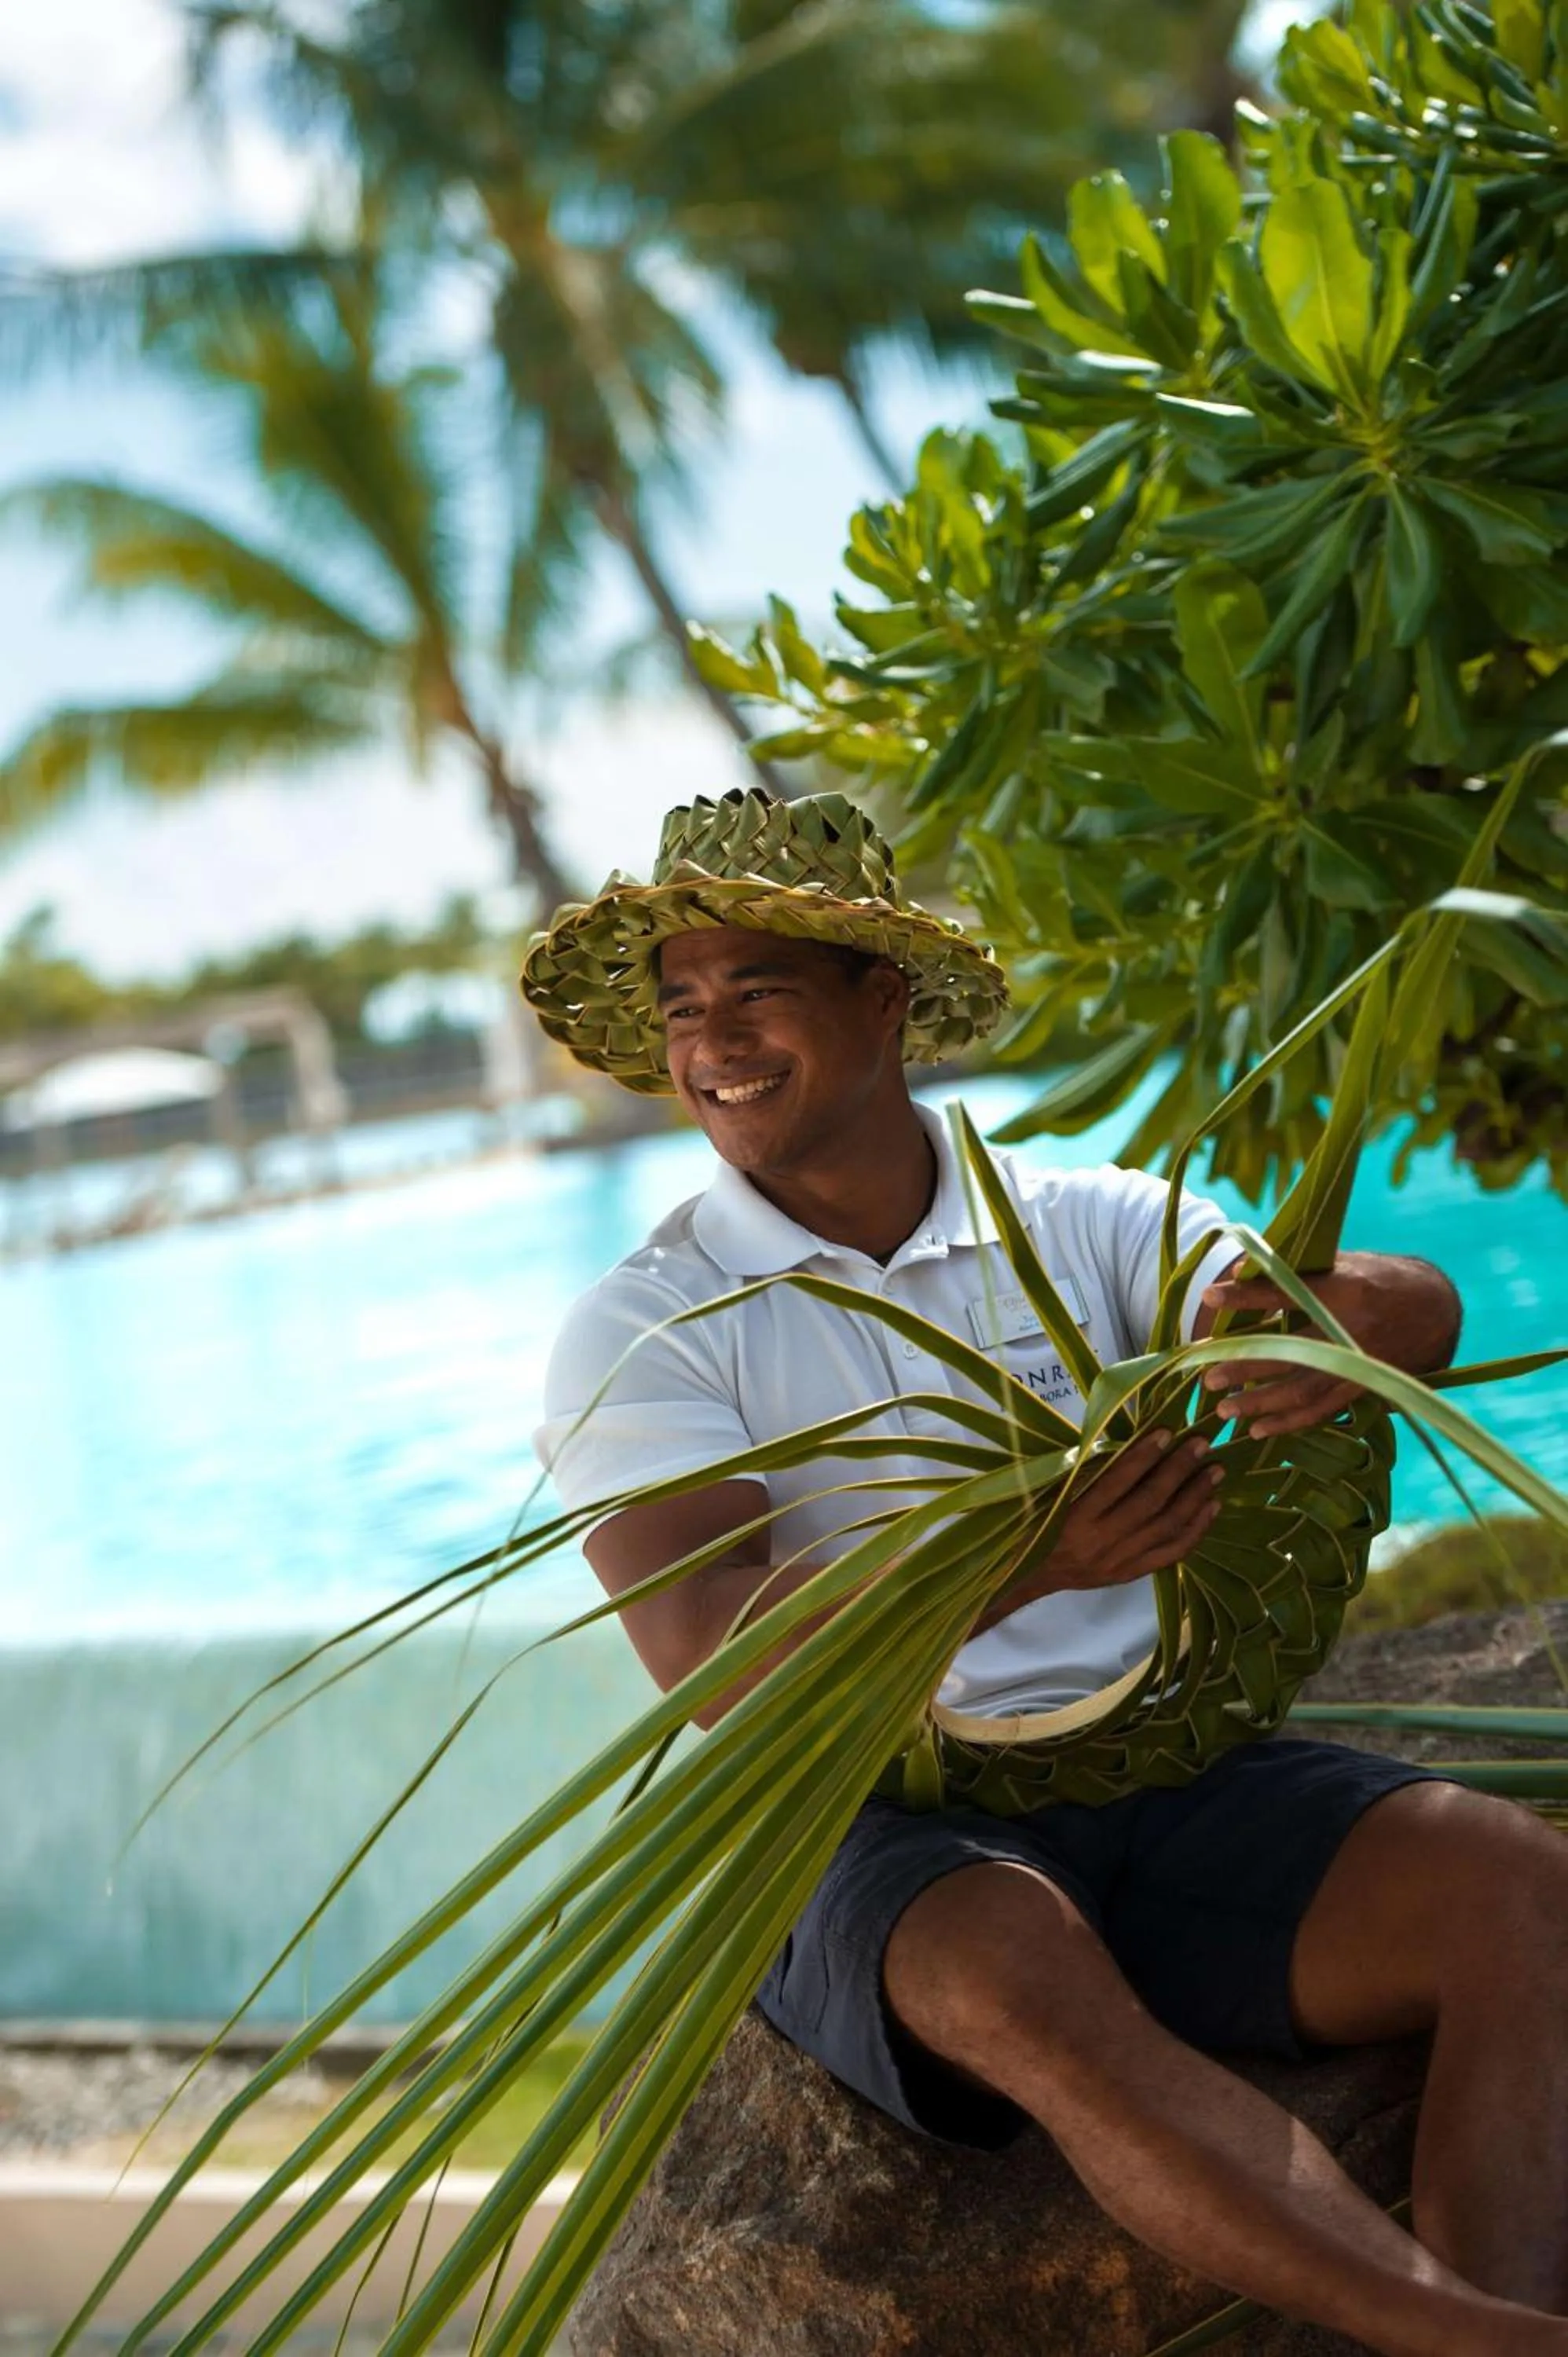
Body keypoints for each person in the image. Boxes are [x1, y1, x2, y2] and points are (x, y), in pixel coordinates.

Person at [525, 788, 1568, 2357]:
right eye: (683, 1010)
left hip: (1158, 1763)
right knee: (1024, 1981)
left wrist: (1322, 1342)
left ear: (881, 1001)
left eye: (758, 993)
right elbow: (720, 1660)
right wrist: (1022, 1562)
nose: (712, 1045)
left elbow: (1401, 1303)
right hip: (865, 1818)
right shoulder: (644, 1324)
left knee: (1515, 1893)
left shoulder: (1075, 1221)